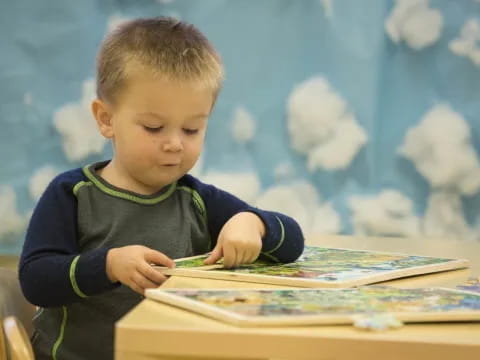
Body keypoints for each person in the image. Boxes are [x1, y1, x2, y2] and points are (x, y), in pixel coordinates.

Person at [19, 16, 304, 360]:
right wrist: (108, 265)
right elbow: (36, 279)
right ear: (106, 119)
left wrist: (253, 224)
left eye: (191, 130)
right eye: (154, 127)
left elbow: (293, 242)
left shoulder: (197, 199)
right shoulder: (73, 194)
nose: (174, 144)